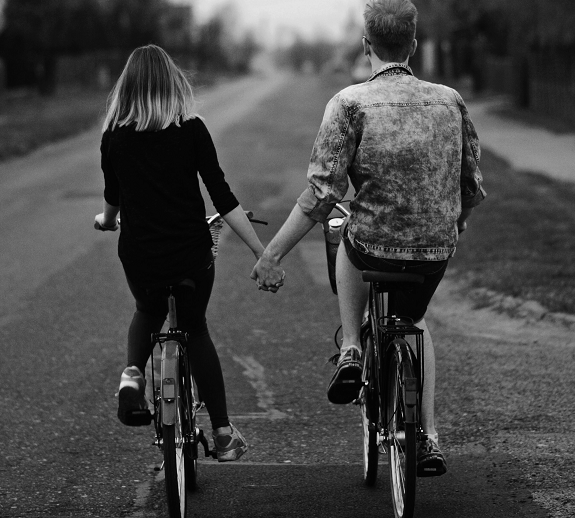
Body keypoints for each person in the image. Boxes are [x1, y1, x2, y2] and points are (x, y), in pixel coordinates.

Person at [252, 0, 485, 476]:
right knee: (416, 323)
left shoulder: (349, 103)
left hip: (374, 244)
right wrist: (454, 222)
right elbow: (471, 188)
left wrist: (272, 254)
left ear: (366, 45)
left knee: (344, 233)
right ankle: (428, 438)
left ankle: (352, 347)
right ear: (413, 44)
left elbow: (320, 196)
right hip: (434, 249)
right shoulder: (450, 100)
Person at [95, 44, 273, 462]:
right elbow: (223, 197)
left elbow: (112, 202)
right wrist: (262, 253)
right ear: (173, 83)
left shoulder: (114, 138)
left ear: (128, 87)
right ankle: (225, 435)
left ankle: (132, 377)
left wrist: (105, 221)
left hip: (141, 255)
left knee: (146, 308)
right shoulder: (192, 128)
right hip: (191, 254)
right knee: (194, 329)